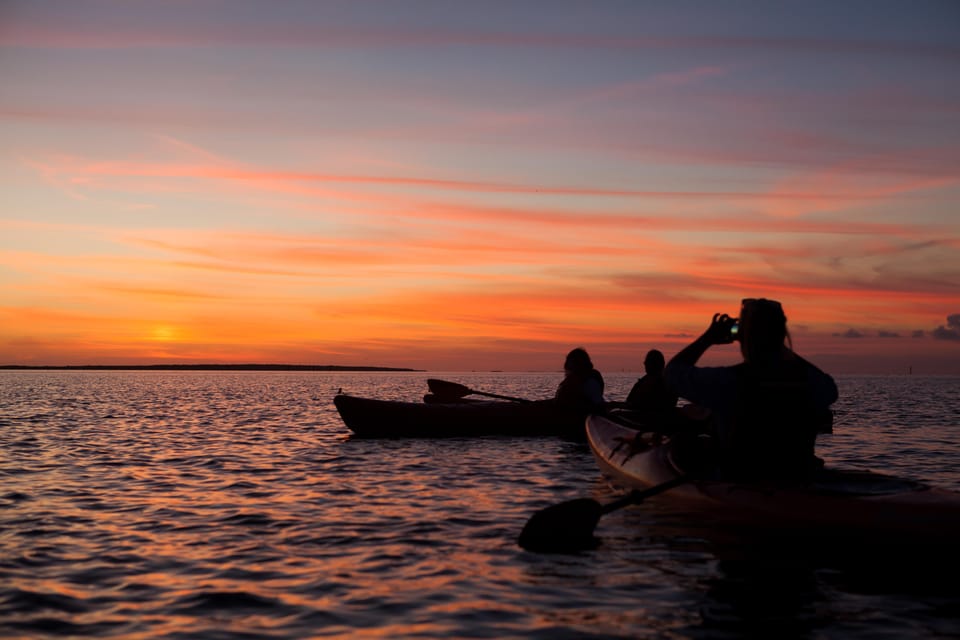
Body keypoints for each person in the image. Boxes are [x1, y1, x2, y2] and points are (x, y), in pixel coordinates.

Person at [664, 298, 838, 483]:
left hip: (744, 480)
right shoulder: (813, 382)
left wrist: (708, 338)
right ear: (780, 334)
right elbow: (830, 388)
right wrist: (780, 345)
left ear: (743, 336)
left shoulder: (729, 382)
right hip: (799, 478)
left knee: (683, 444)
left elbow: (672, 374)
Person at [624, 349, 678, 420]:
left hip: (647, 419)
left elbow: (633, 403)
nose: (644, 363)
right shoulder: (669, 382)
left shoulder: (656, 383)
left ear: (653, 364)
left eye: (647, 361)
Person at [554, 347, 606, 415]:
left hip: (581, 417)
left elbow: (599, 405)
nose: (567, 371)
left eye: (571, 366)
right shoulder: (571, 382)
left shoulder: (590, 383)